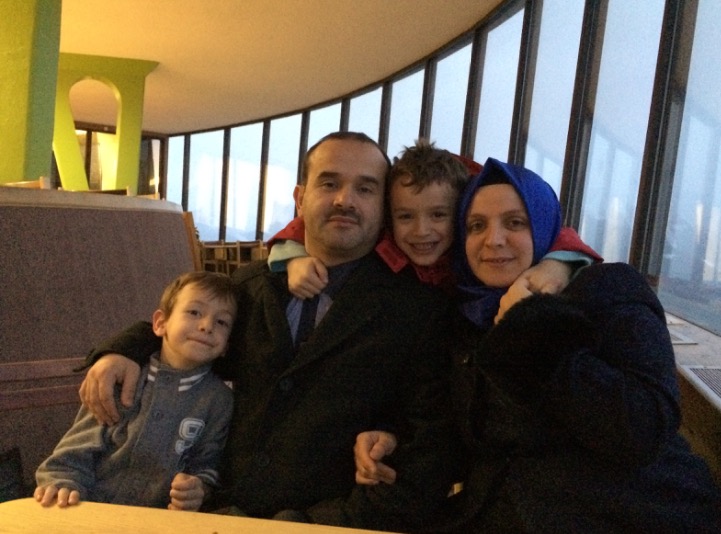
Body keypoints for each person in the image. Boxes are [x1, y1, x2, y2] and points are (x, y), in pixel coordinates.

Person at [77, 132, 464, 532]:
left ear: (382, 207)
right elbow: (193, 330)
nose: (344, 200)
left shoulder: (419, 312)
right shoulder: (249, 286)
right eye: (329, 183)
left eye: (365, 188)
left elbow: (429, 450)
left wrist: (321, 524)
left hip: (329, 524)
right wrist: (123, 350)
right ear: (300, 197)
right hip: (215, 514)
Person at [355, 158, 721, 532]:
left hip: (633, 516)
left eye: (515, 222)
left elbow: (644, 428)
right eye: (476, 225)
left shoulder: (607, 288)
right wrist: (392, 435)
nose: (493, 240)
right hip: (506, 514)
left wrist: (533, 326)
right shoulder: (468, 319)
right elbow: (459, 431)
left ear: (544, 224)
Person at [268, 139, 600, 299]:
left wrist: (556, 266)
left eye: (439, 215)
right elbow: (311, 223)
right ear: (389, 217)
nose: (421, 231)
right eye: (405, 216)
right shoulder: (384, 240)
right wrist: (293, 258)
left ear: (461, 215)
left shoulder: (478, 244)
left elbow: (559, 236)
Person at [35, 271, 237, 511]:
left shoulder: (220, 400)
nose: (207, 326)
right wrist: (63, 483)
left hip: (161, 520)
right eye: (194, 312)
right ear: (160, 323)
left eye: (221, 322)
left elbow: (208, 465)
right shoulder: (124, 378)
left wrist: (199, 489)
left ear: (227, 345)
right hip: (91, 508)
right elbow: (74, 453)